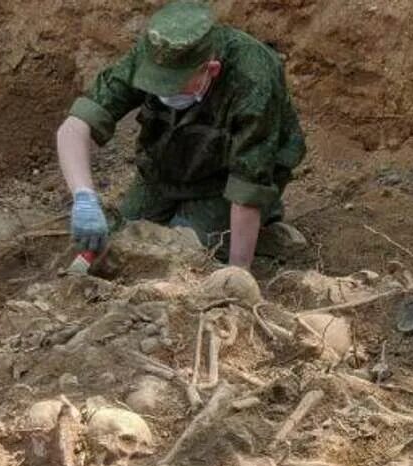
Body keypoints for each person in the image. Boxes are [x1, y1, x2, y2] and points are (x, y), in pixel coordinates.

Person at [55, 0, 306, 270]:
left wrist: (237, 274)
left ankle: (265, 221)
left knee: (183, 255)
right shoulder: (154, 54)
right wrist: (84, 198)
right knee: (117, 239)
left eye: (173, 86)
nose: (163, 92)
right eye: (157, 84)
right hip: (167, 166)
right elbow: (75, 127)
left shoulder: (254, 76)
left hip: (225, 180)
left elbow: (248, 184)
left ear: (211, 70)